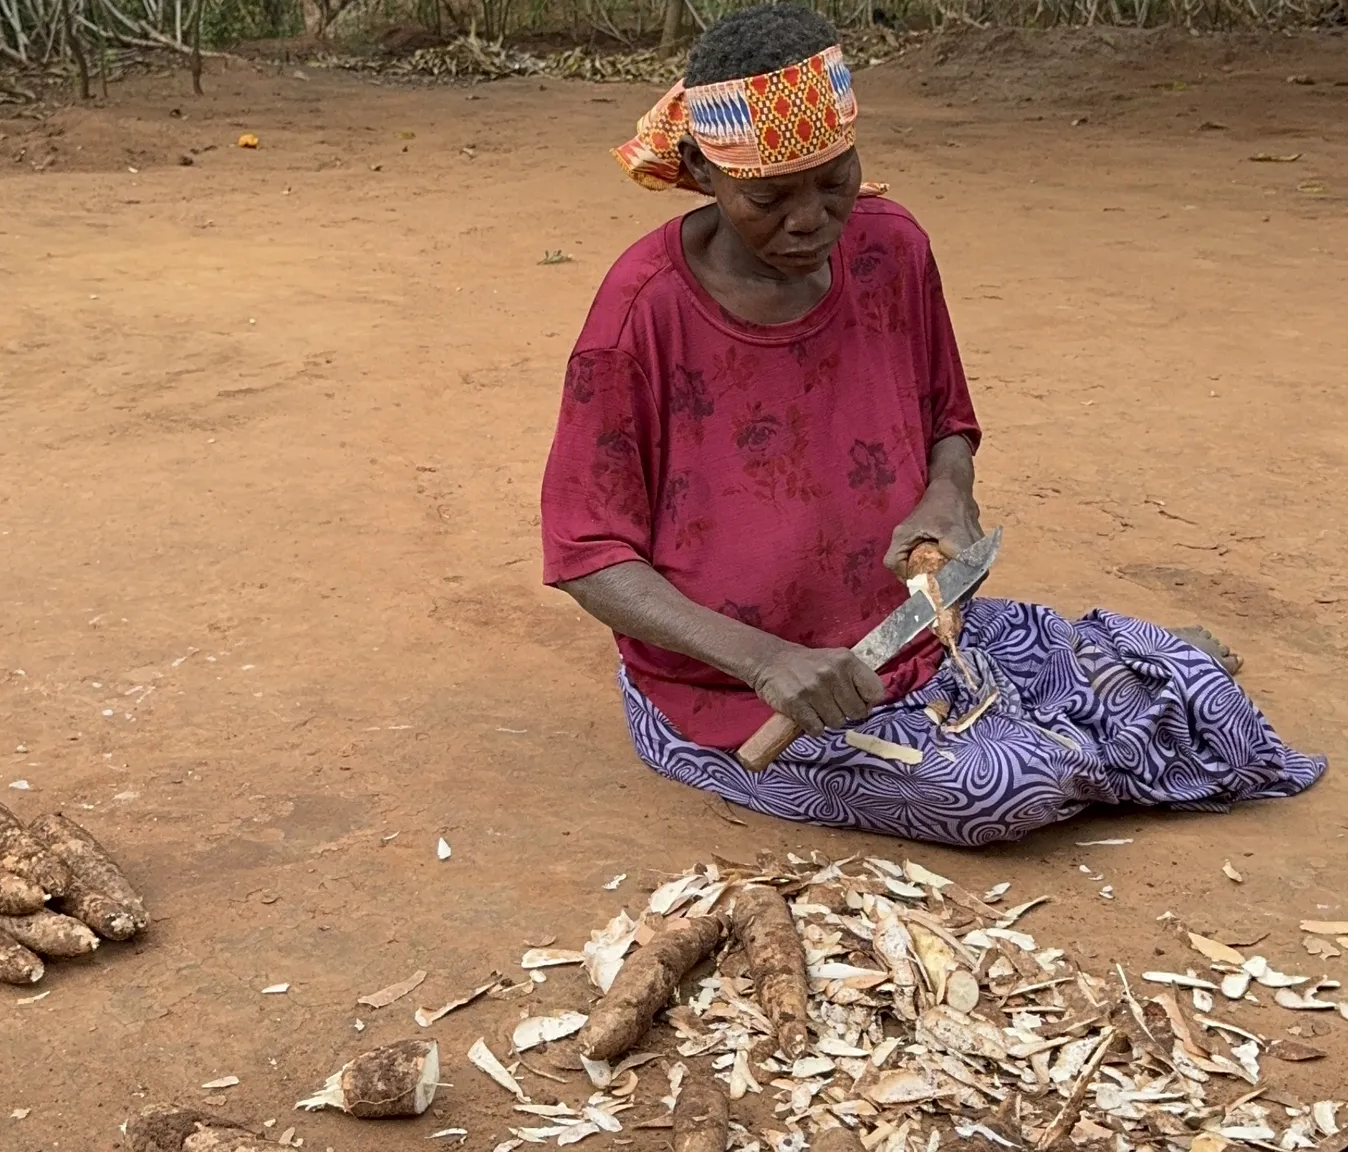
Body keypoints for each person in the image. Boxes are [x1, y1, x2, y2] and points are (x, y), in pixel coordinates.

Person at [537, 2, 1324, 847]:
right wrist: (766, 661)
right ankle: (1051, 738)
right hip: (736, 690)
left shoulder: (892, 249)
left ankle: (1081, 709)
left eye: (834, 180)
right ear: (701, 170)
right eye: (769, 197)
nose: (810, 221)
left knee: (1192, 693)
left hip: (912, 631)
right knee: (1005, 792)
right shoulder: (641, 315)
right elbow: (589, 556)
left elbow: (947, 418)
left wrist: (950, 495)